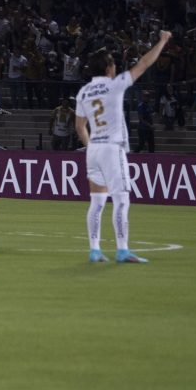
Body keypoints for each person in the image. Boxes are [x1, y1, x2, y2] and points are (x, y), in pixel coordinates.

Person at [74, 31, 172, 264]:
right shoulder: (115, 85)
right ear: (109, 67)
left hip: (94, 150)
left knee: (96, 202)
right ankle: (122, 250)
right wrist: (163, 41)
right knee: (121, 199)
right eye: (114, 63)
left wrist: (90, 146)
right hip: (111, 148)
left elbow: (79, 126)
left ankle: (95, 250)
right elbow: (145, 63)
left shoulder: (84, 91)